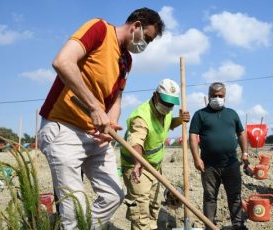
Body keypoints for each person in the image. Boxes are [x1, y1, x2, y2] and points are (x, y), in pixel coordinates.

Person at [37, 8, 164, 229]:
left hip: (95, 136)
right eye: (148, 39)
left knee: (113, 196)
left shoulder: (126, 60)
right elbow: (62, 62)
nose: (147, 45)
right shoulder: (99, 29)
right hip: (64, 128)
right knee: (74, 209)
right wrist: (95, 107)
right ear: (135, 26)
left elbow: (116, 99)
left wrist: (110, 125)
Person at [120, 79, 190, 230]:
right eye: (165, 102)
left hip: (155, 168)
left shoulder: (165, 112)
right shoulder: (141, 116)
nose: (168, 107)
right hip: (137, 167)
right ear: (155, 96)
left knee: (153, 205)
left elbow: (168, 123)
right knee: (141, 211)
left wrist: (180, 120)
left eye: (171, 104)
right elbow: (136, 142)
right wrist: (138, 162)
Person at [189, 82, 249, 230]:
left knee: (235, 196)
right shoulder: (200, 114)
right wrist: (197, 158)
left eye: (220, 96)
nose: (217, 98)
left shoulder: (232, 114)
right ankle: (209, 225)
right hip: (209, 165)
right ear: (208, 96)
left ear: (225, 96)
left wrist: (245, 152)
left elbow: (241, 133)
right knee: (210, 197)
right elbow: (193, 136)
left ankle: (238, 225)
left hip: (231, 164)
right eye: (214, 95)